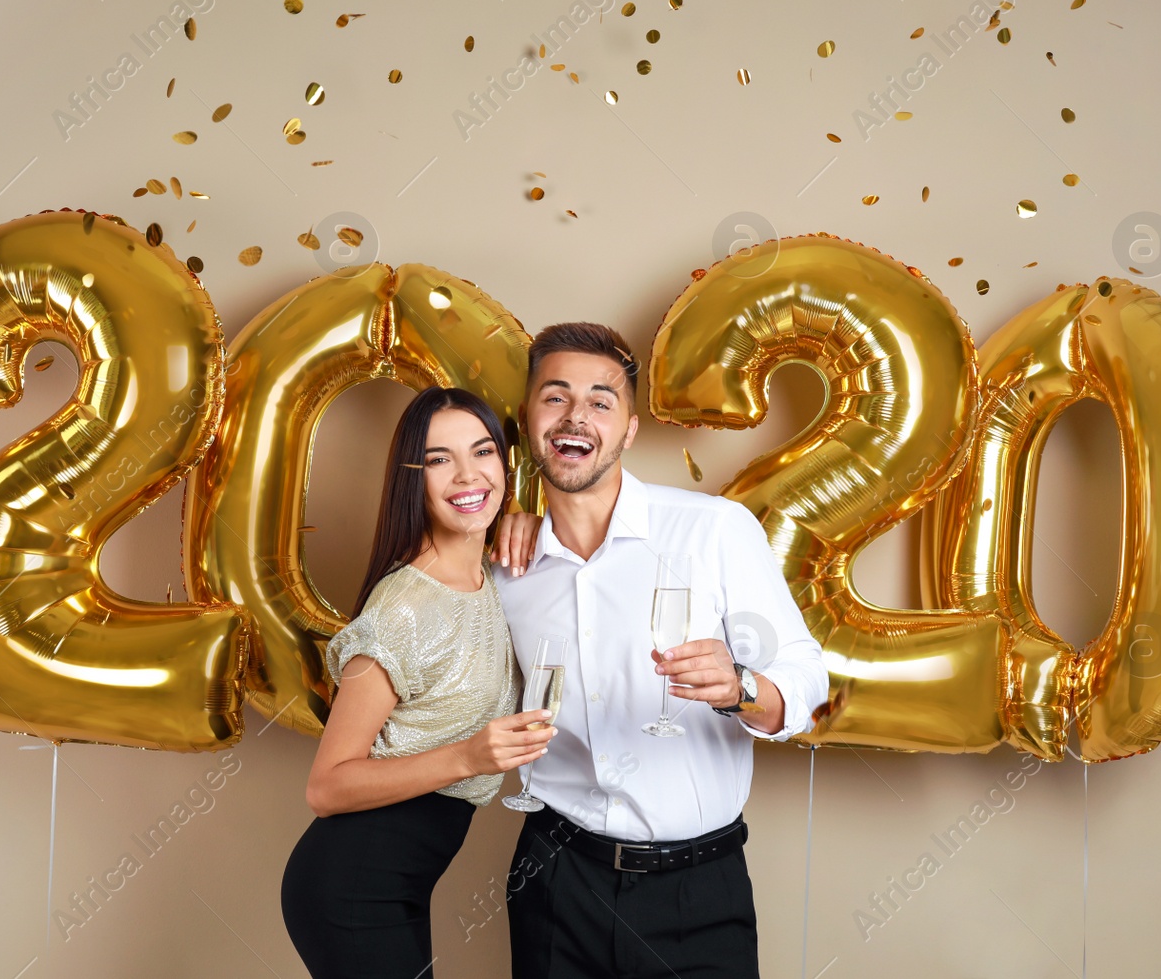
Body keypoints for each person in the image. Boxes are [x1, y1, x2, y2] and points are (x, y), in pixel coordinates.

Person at [492, 322, 830, 979]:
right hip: (555, 878)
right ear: (527, 419)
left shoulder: (713, 529)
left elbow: (807, 677)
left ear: (629, 429)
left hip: (697, 887)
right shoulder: (506, 564)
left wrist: (741, 687)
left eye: (600, 401)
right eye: (554, 396)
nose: (576, 416)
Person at [280, 386, 552, 979]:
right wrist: (470, 756)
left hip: (402, 883)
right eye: (438, 459)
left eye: (482, 452)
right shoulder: (404, 607)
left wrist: (527, 521)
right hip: (350, 888)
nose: (466, 475)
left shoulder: (490, 576)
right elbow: (326, 787)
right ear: (412, 477)